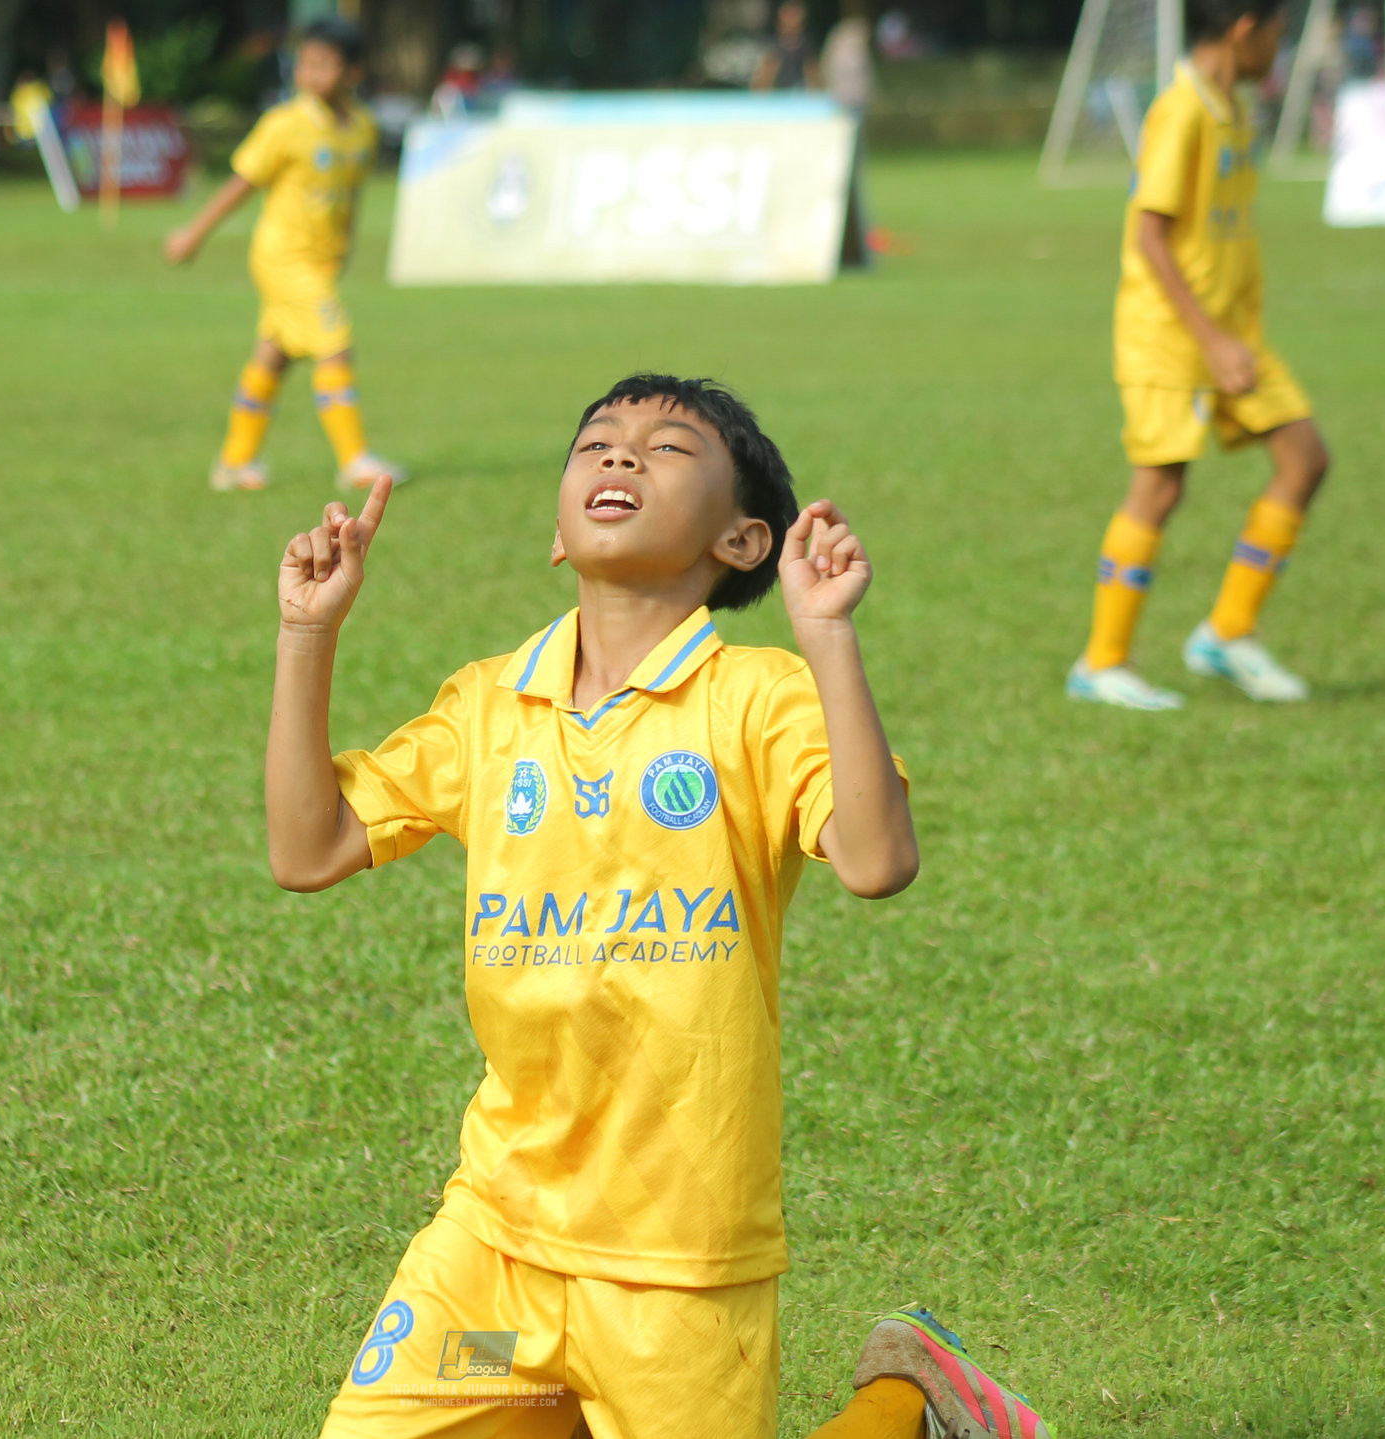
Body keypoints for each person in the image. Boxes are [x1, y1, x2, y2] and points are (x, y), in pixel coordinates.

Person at [266, 373, 1054, 1439]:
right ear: (555, 531)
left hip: (677, 1261)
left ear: (741, 542)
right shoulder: (490, 702)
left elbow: (874, 859)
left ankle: (907, 1402)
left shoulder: (759, 697)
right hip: (494, 1241)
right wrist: (306, 633)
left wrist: (826, 636)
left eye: (668, 449)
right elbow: (307, 848)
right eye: (596, 443)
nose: (620, 456)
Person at [1068, 0, 1332, 709]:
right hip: (1173, 335)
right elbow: (1150, 234)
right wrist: (1211, 339)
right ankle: (1102, 661)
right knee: (1160, 485)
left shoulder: (1233, 108)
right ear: (1245, 29)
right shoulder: (1181, 111)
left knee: (1305, 457)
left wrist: (1232, 334)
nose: (1282, 46)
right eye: (1278, 32)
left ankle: (1228, 632)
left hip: (1233, 336)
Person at [163, 20, 402, 494]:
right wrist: (194, 234)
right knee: (335, 341)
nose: (311, 73)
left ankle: (233, 463)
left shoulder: (363, 130)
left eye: (325, 65)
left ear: (353, 71)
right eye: (306, 63)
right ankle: (354, 461)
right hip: (282, 257)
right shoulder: (285, 126)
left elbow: (350, 196)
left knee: (273, 356)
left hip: (322, 262)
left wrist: (344, 247)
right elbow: (241, 185)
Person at [753, 0, 821, 91]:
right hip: (777, 99)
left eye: (794, 15)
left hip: (802, 99)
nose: (791, 20)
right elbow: (759, 88)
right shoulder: (772, 48)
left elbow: (817, 86)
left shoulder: (808, 48)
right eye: (788, 15)